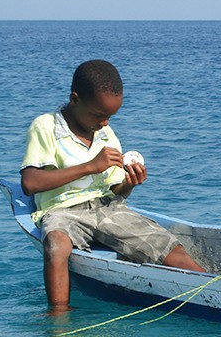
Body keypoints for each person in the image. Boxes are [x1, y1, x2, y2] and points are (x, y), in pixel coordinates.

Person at [20, 59, 206, 314]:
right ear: (75, 99)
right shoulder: (46, 126)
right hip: (62, 209)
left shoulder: (106, 133)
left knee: (169, 248)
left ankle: (211, 291)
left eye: (110, 116)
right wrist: (89, 166)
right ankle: (59, 318)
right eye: (99, 114)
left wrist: (129, 183)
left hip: (107, 208)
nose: (105, 122)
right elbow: (30, 183)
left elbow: (115, 191)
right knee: (56, 245)